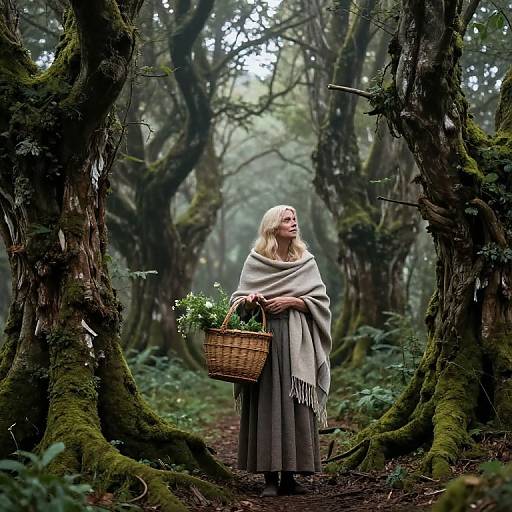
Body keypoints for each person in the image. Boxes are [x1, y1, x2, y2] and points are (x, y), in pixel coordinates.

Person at [230, 205, 332, 497]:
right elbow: (237, 302)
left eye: (294, 219)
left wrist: (292, 301)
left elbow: (320, 301)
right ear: (273, 226)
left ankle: (290, 477)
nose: (293, 223)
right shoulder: (256, 261)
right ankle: (269, 479)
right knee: (267, 404)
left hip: (297, 341)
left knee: (296, 404)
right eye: (287, 219)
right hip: (265, 341)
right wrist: (250, 300)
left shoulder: (306, 261)